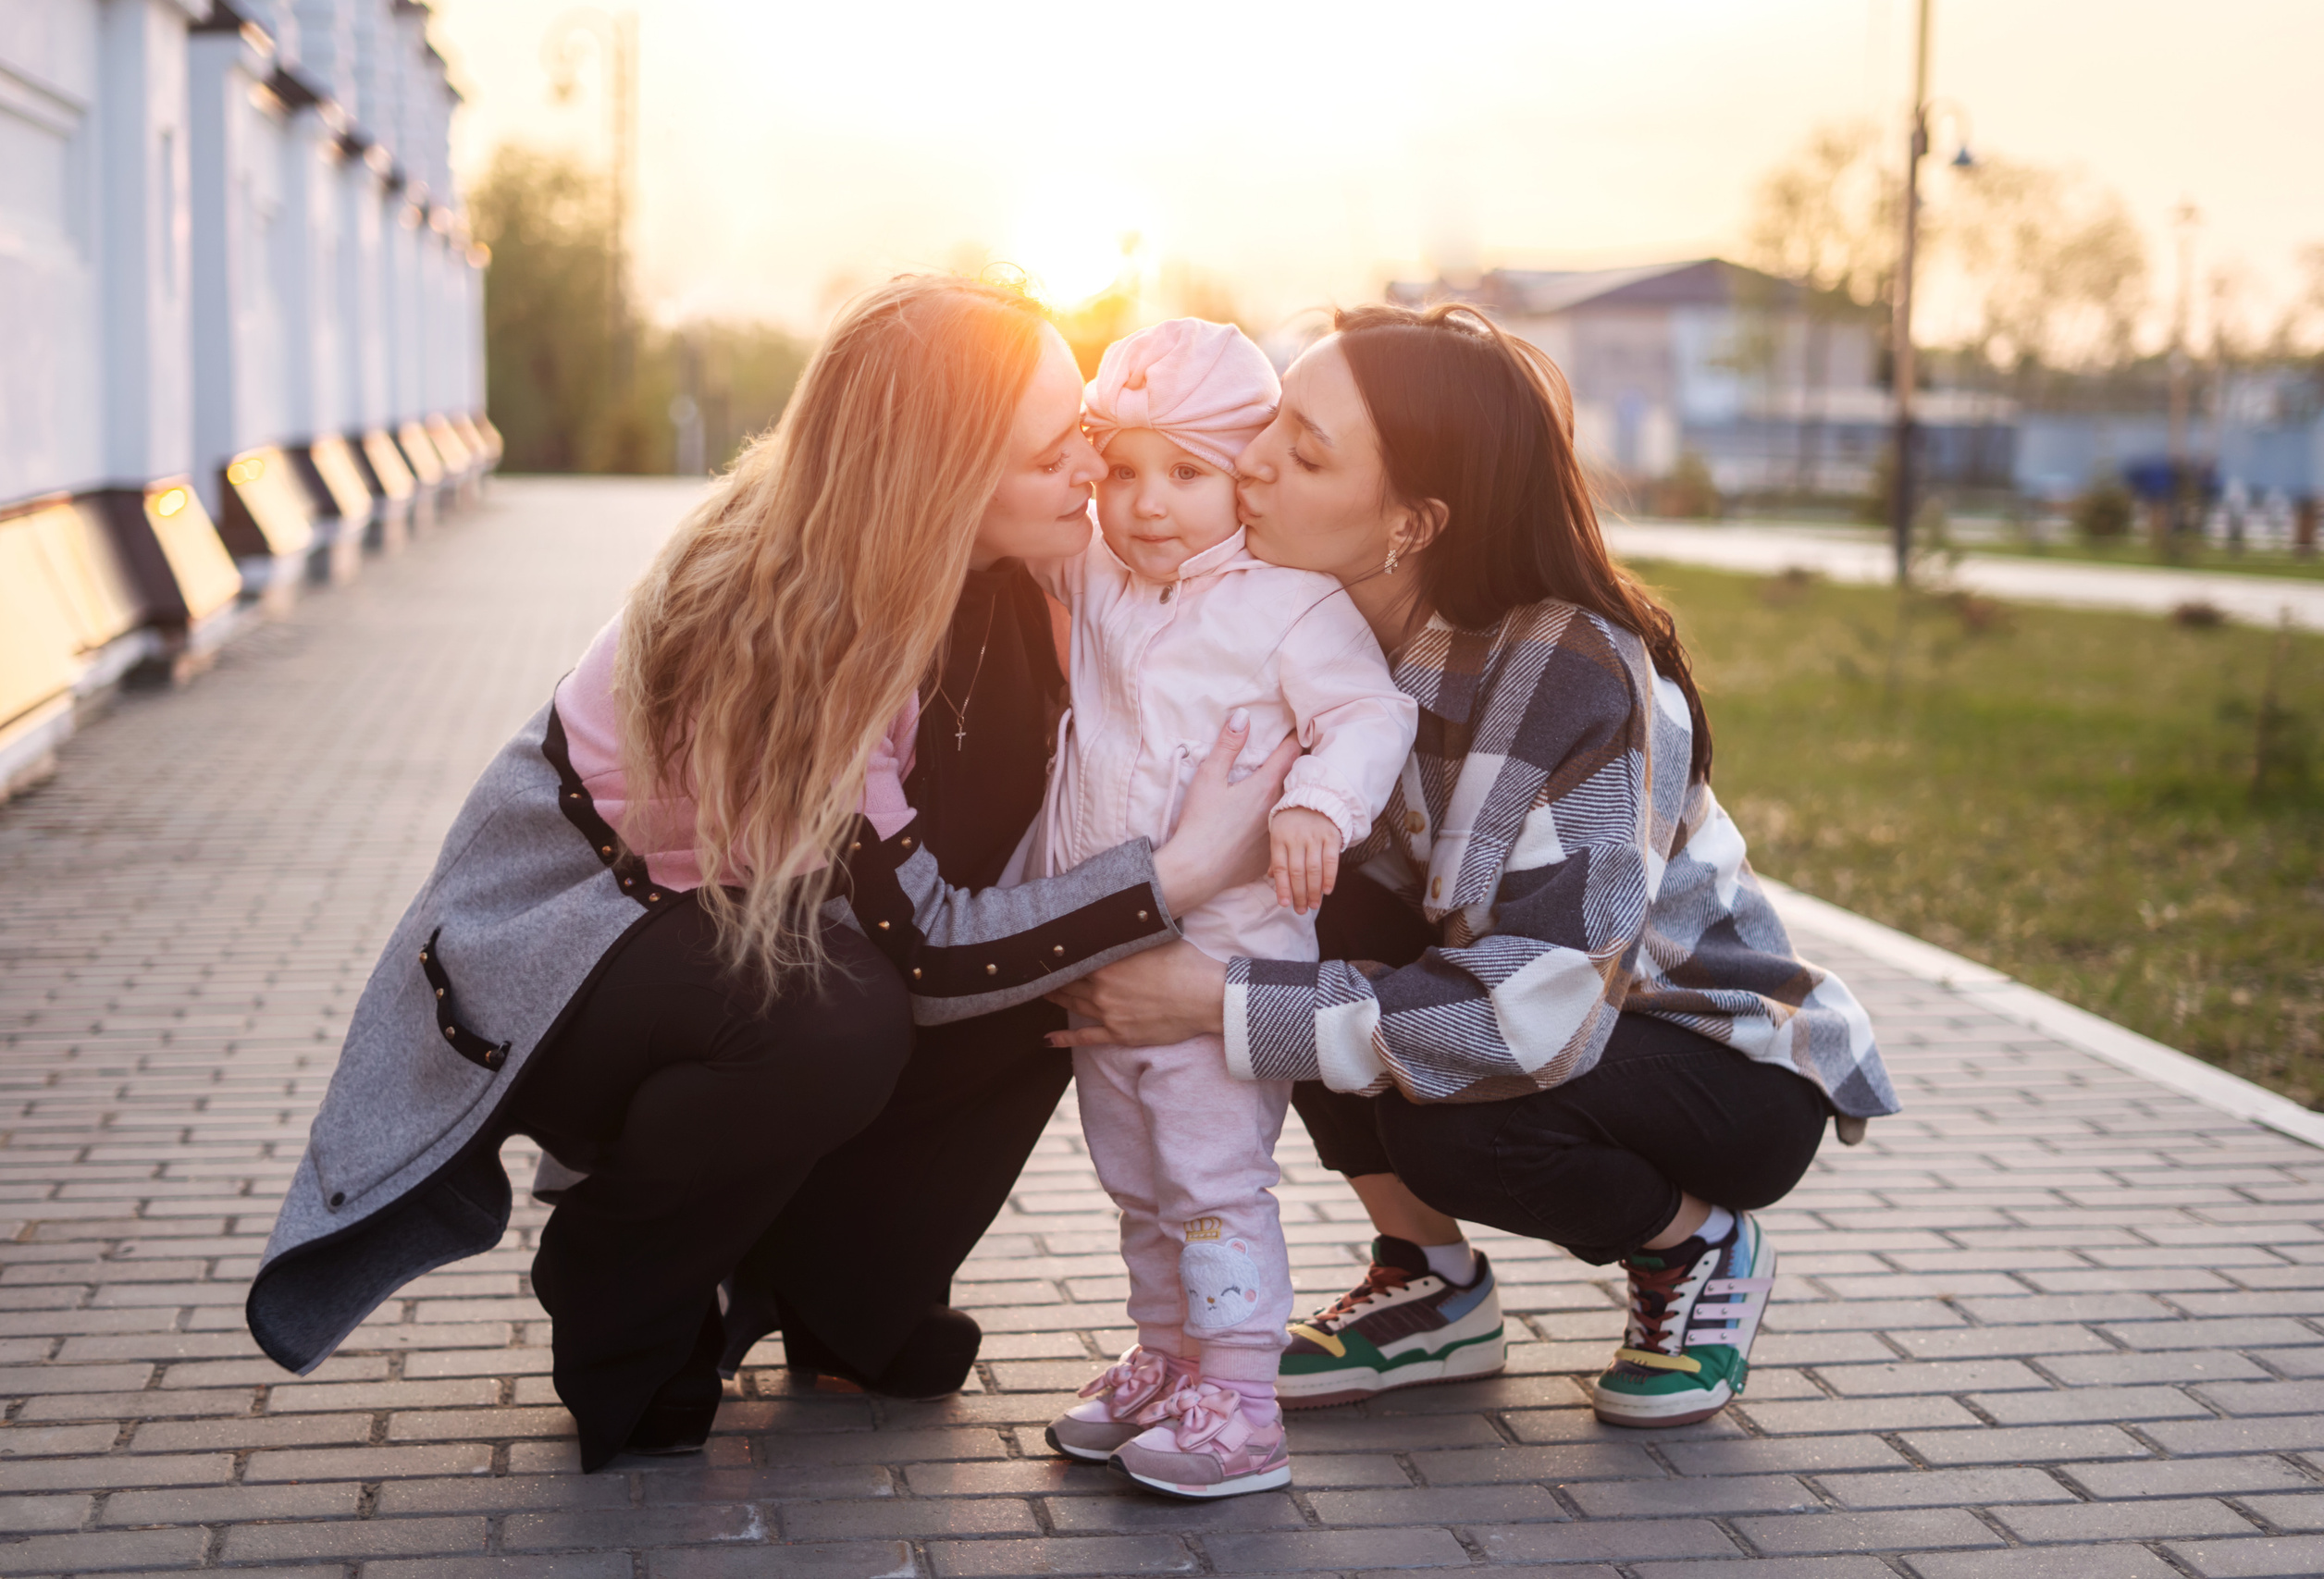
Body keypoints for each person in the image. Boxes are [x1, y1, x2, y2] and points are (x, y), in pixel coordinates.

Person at [245, 276, 1299, 1472]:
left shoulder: (1006, 570)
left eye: (1090, 437)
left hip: (766, 924)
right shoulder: (803, 610)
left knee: (1046, 973)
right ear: (944, 477)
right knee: (846, 1010)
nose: (1093, 475)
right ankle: (618, 1280)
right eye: (1055, 454)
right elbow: (926, 953)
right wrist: (1177, 875)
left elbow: (1238, 607)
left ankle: (841, 1292)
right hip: (578, 942)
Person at [1050, 302, 1899, 1433]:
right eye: (1269, 423)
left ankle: (1694, 1245)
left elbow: (1534, 1011)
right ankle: (1432, 1285)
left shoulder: (1572, 672)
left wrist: (1215, 998)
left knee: (1437, 1112)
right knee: (1301, 909)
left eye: (1304, 451)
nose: (1250, 463)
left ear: (1410, 523)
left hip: (1697, 1057)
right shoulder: (1299, 625)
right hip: (1516, 996)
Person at [1027, 319, 1414, 1499]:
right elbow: (1011, 526)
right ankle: (1167, 1359)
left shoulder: (1287, 604)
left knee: (1211, 1185)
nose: (1146, 503)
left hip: (1223, 964)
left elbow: (1368, 715)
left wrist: (1316, 806)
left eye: (1187, 472)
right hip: (1106, 960)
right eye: (1122, 469)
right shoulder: (1098, 575)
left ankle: (1241, 1401)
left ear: (1243, 471)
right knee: (1136, 1184)